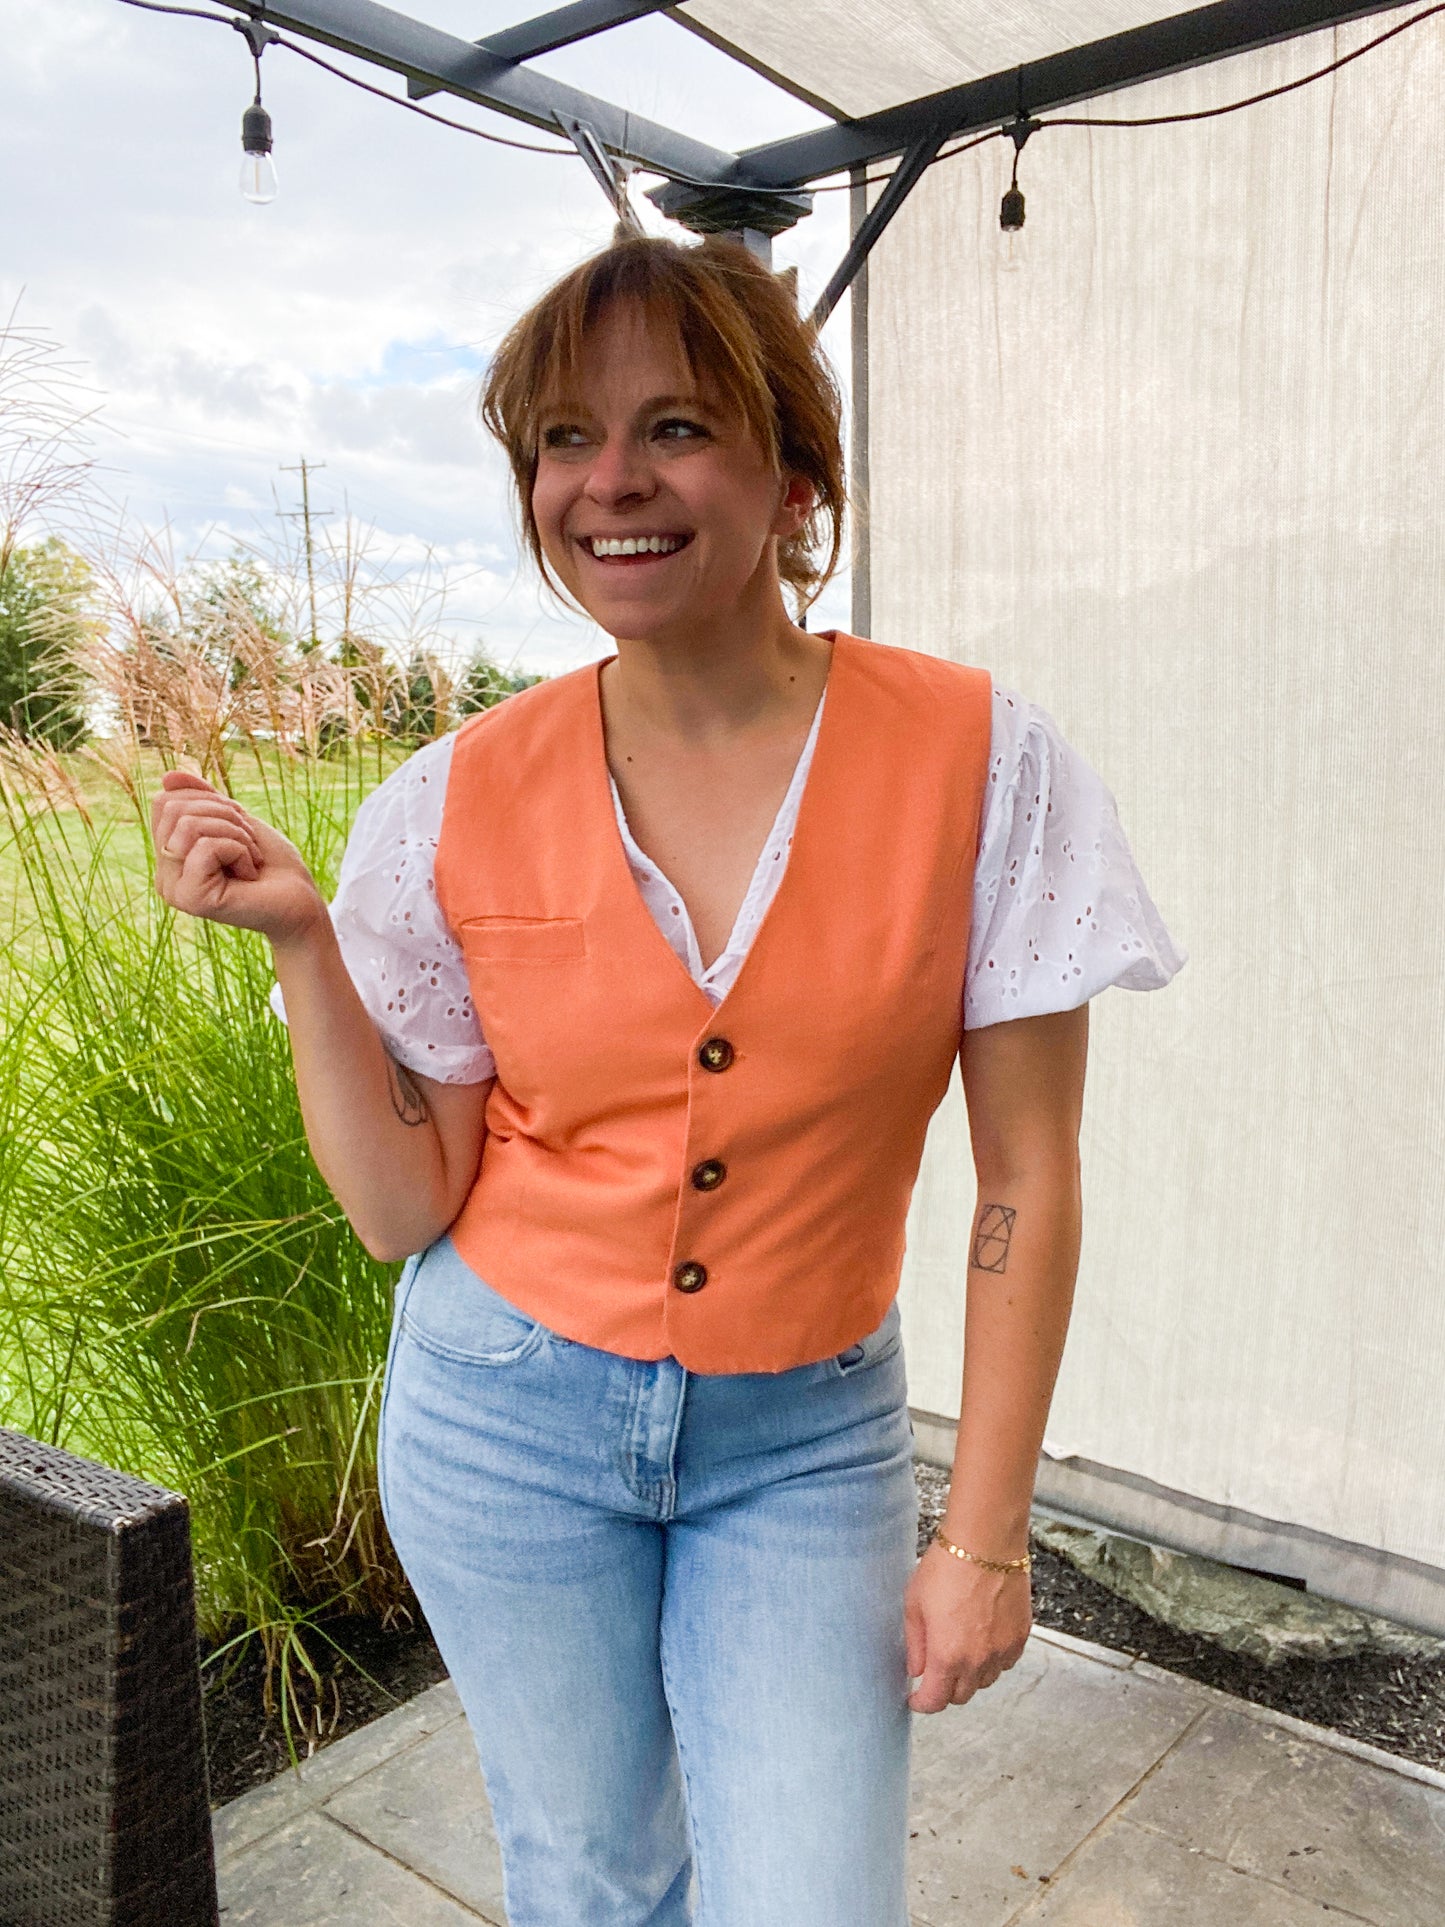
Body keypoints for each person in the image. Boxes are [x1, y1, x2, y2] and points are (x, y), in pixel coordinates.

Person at [150, 234, 1185, 1927]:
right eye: (562, 440)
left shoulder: (985, 764)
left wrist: (985, 1536)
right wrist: (304, 950)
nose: (607, 483)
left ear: (793, 472)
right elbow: (405, 1204)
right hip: (502, 1418)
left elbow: (1026, 1177)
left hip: (802, 1437)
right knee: (594, 1880)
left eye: (672, 429)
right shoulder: (452, 795)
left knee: (813, 1899)